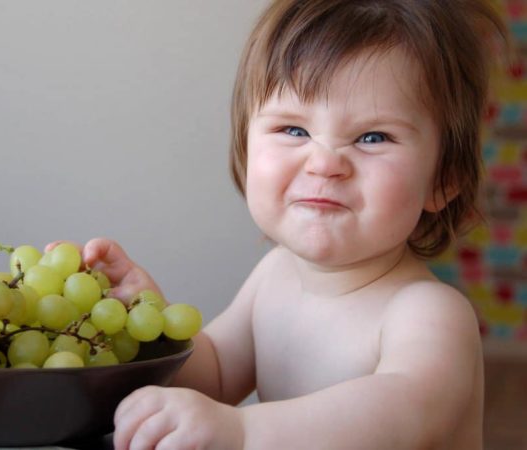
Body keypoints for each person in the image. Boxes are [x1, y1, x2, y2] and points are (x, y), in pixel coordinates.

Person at [58, 0, 509, 448]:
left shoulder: (427, 311)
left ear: (443, 180)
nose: (324, 163)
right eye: (294, 130)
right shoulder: (274, 277)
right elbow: (211, 376)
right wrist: (149, 321)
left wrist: (244, 430)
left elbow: (408, 412)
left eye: (373, 137)